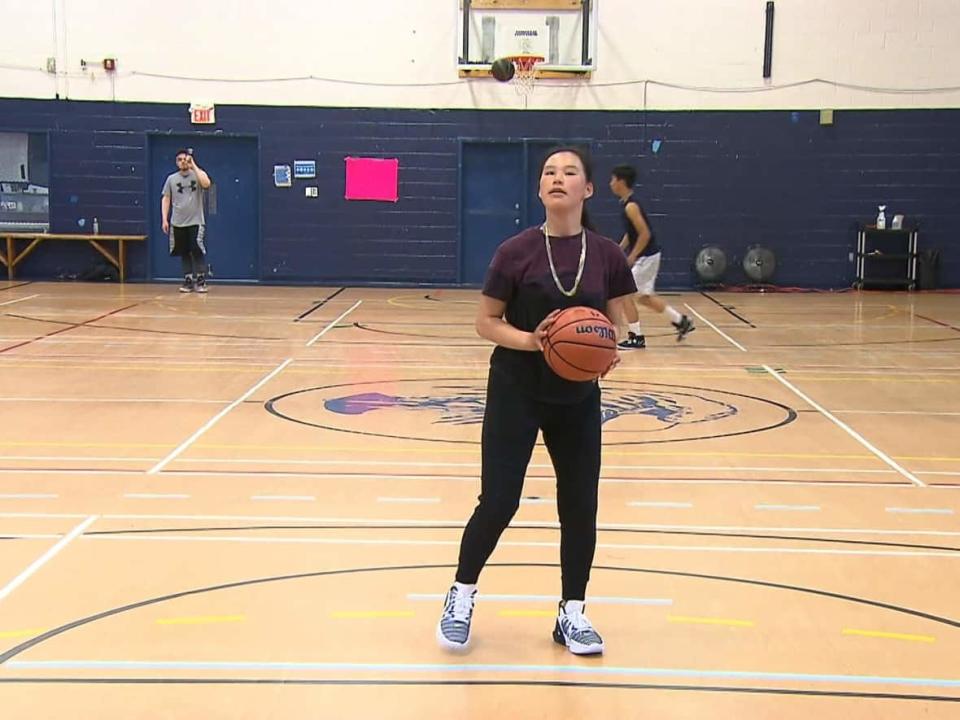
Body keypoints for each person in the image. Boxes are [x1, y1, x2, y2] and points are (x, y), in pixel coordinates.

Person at [436, 147, 636, 656]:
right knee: (499, 501)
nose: (557, 178)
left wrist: (607, 349)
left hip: (577, 397)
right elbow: (486, 321)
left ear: (587, 190)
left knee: (579, 506)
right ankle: (460, 596)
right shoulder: (515, 251)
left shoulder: (608, 254)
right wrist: (534, 340)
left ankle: (572, 613)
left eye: (569, 172)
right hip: (516, 389)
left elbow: (621, 320)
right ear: (540, 188)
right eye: (549, 172)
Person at [608, 164, 694, 348]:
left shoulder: (631, 206)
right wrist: (620, 248)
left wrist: (632, 256)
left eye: (613, 179)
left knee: (625, 294)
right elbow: (632, 233)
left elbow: (644, 233)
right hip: (649, 255)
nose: (611, 183)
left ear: (621, 182)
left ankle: (636, 337)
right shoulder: (627, 204)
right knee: (643, 297)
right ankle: (680, 321)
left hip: (646, 257)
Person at [161, 149, 212, 293]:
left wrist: (193, 165)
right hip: (177, 222)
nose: (183, 161)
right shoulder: (171, 179)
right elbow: (166, 198)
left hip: (195, 220)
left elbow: (207, 183)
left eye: (185, 159)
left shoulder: (197, 175)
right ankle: (188, 279)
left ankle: (201, 279)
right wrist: (164, 219)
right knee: (184, 251)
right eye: (180, 159)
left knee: (196, 249)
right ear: (176, 162)